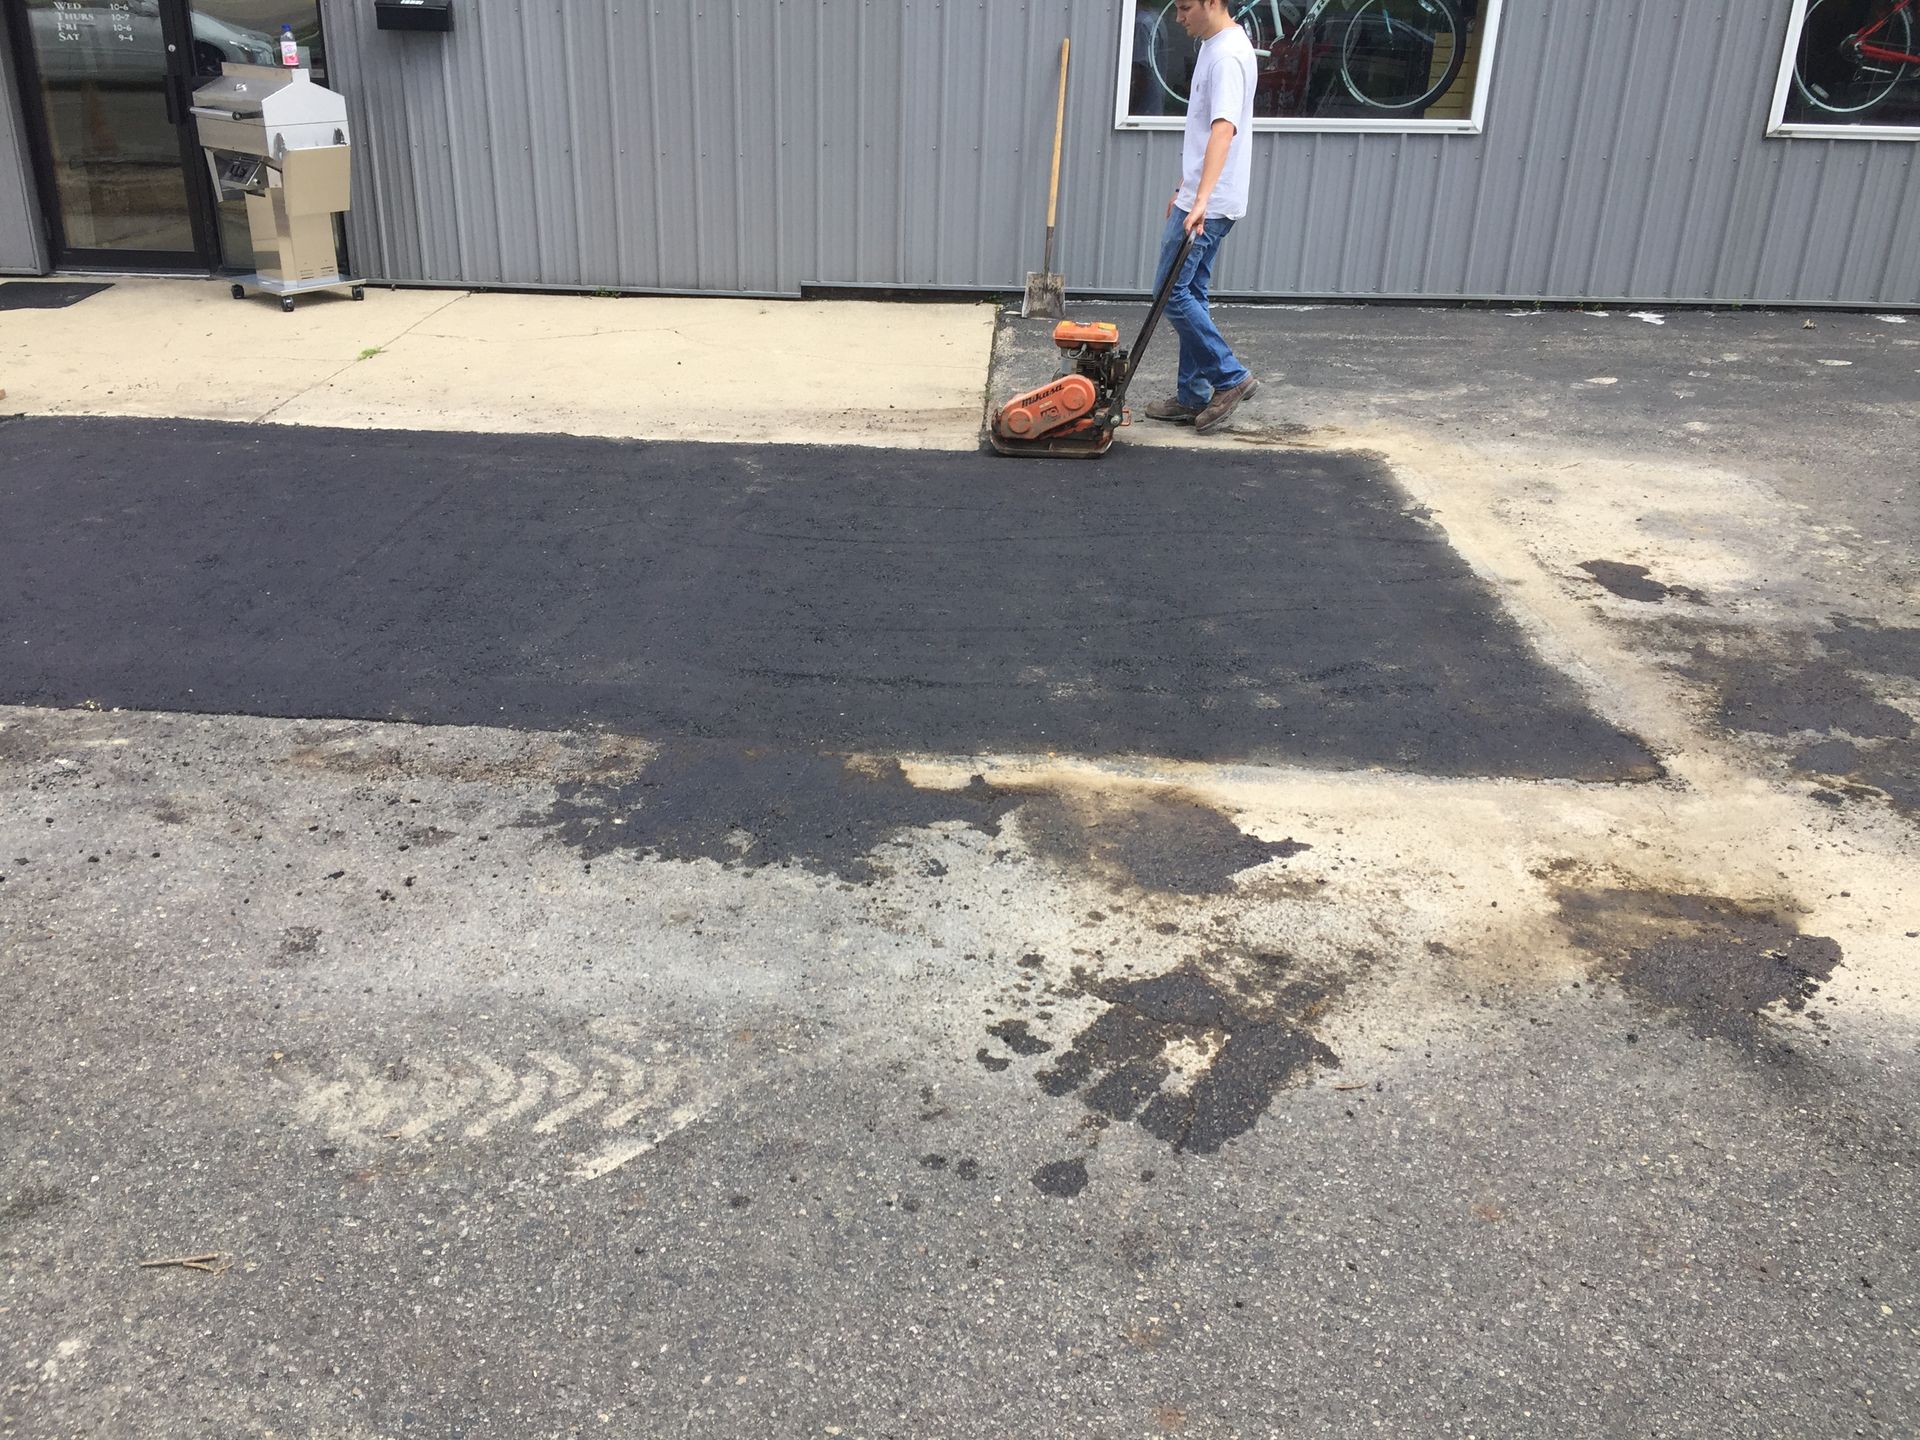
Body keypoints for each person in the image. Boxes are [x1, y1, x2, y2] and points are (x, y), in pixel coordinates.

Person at [1144, 0, 1258, 435]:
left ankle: (1230, 378)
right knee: (1191, 292)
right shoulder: (1216, 45)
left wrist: (1200, 201)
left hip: (1209, 204)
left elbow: (1223, 131)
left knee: (1169, 293)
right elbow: (1203, 133)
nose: (1178, 18)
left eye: (1186, 7)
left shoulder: (1227, 56)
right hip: (1204, 197)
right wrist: (1185, 186)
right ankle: (1192, 395)